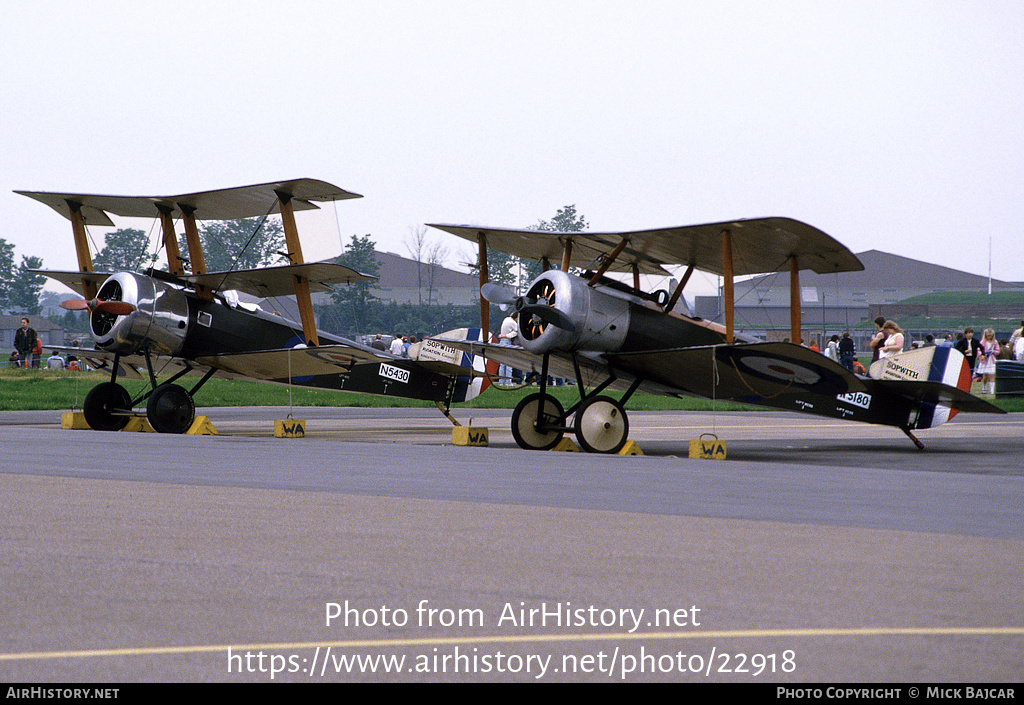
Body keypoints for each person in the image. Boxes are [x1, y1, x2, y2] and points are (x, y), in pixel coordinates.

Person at [975, 328, 1000, 395]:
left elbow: (998, 351)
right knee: (985, 375)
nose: (989, 337)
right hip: (984, 361)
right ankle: (984, 388)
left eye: (990, 335)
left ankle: (991, 391)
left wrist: (993, 352)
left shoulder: (995, 342)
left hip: (991, 360)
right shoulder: (982, 342)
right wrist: (982, 355)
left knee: (991, 375)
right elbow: (978, 350)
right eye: (988, 335)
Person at [497, 311, 519, 385]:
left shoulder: (506, 319)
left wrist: (503, 336)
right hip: (507, 341)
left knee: (502, 364)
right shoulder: (513, 323)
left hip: (502, 341)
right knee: (509, 363)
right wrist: (506, 336)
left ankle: (501, 382)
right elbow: (518, 331)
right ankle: (508, 382)